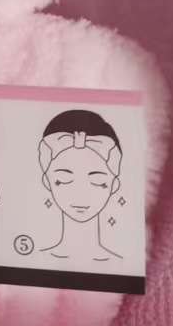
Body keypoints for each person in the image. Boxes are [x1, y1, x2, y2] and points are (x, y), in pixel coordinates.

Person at [39, 109, 123, 262]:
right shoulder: (37, 260)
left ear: (114, 184)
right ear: (47, 181)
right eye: (64, 179)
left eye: (98, 180)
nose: (80, 193)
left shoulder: (120, 263)